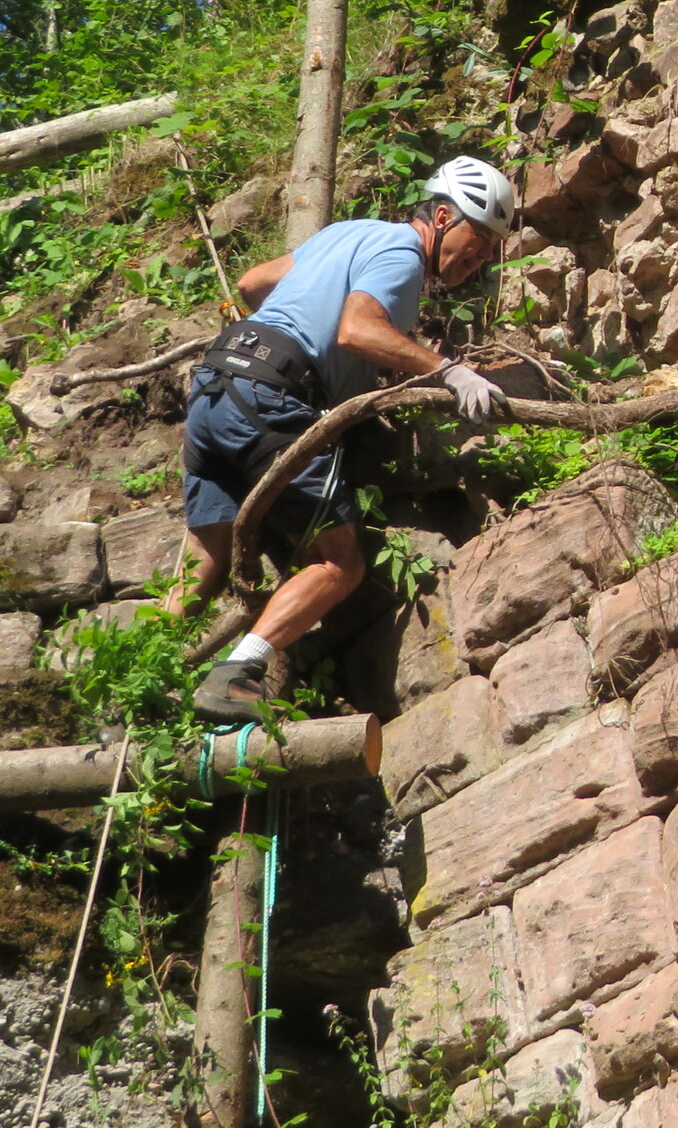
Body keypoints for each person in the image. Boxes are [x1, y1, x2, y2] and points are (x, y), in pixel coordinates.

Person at [170, 157, 516, 722]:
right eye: (477, 241)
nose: (479, 258)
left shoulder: (349, 233)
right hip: (269, 398)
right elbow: (357, 330)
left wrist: (295, 330)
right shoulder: (404, 255)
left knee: (208, 551)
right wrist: (450, 371)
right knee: (340, 563)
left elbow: (252, 282)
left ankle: (139, 681)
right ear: (442, 217)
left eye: (489, 252)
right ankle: (236, 674)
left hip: (214, 387)